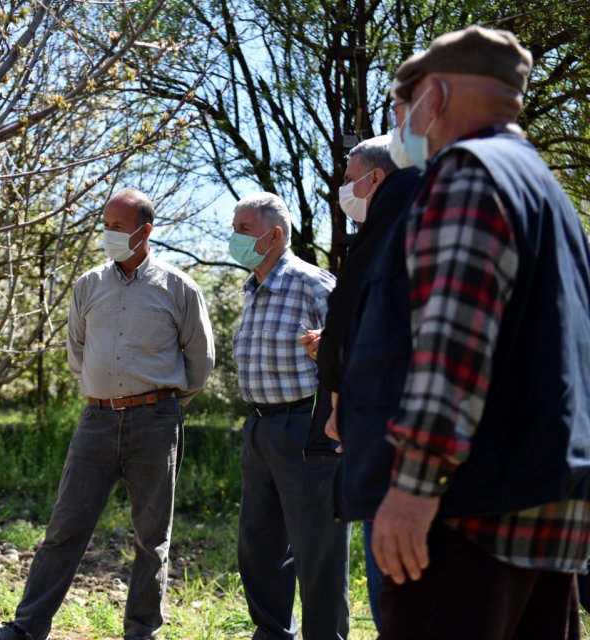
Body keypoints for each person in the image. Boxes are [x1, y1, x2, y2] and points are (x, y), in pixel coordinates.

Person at [336, 25, 590, 639]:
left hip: (462, 516)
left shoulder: (468, 176)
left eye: (406, 100)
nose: (404, 117)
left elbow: (452, 344)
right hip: (543, 508)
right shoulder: (546, 192)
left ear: (438, 95)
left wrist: (415, 485)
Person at [0, 188, 215, 640]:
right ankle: (25, 630)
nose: (108, 235)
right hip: (95, 422)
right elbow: (77, 354)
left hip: (155, 423)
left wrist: (161, 404)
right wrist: (106, 391)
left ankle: (141, 633)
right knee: (64, 529)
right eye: (105, 225)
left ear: (145, 231)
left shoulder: (179, 288)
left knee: (151, 539)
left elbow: (200, 363)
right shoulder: (88, 285)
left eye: (117, 227)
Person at [298, 135, 420, 631]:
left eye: (349, 181)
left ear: (377, 179)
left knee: (393, 572)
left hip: (391, 435)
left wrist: (339, 367)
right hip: (378, 427)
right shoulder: (395, 231)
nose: (343, 193)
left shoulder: (398, 232)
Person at [228, 192, 349, 640]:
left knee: (318, 548)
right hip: (258, 427)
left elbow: (353, 349)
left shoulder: (313, 283)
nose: (233, 238)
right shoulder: (253, 288)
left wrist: (333, 349)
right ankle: (273, 632)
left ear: (274, 234)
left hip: (305, 426)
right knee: (258, 546)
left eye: (243, 230)